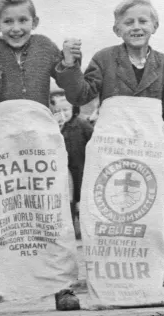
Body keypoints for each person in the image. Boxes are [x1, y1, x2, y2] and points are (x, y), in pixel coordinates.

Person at [56, 0, 164, 308]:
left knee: (147, 222)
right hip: (111, 152)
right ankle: (111, 289)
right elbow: (81, 93)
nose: (136, 27)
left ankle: (146, 288)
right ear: (117, 29)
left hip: (150, 154)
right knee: (107, 217)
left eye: (143, 21)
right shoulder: (104, 59)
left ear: (155, 26)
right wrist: (70, 65)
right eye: (129, 22)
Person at [0, 0, 82, 311]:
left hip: (41, 135)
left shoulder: (46, 47)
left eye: (22, 20)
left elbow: (71, 88)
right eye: (7, 21)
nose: (15, 27)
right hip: (1, 135)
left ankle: (62, 286)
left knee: (50, 207)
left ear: (35, 20)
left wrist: (71, 62)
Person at [51, 95, 93, 239]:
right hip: (65, 170)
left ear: (73, 109)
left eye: (66, 109)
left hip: (81, 168)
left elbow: (94, 141)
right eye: (59, 110)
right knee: (68, 201)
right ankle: (72, 233)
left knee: (82, 201)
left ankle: (86, 232)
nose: (63, 113)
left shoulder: (82, 124)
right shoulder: (56, 128)